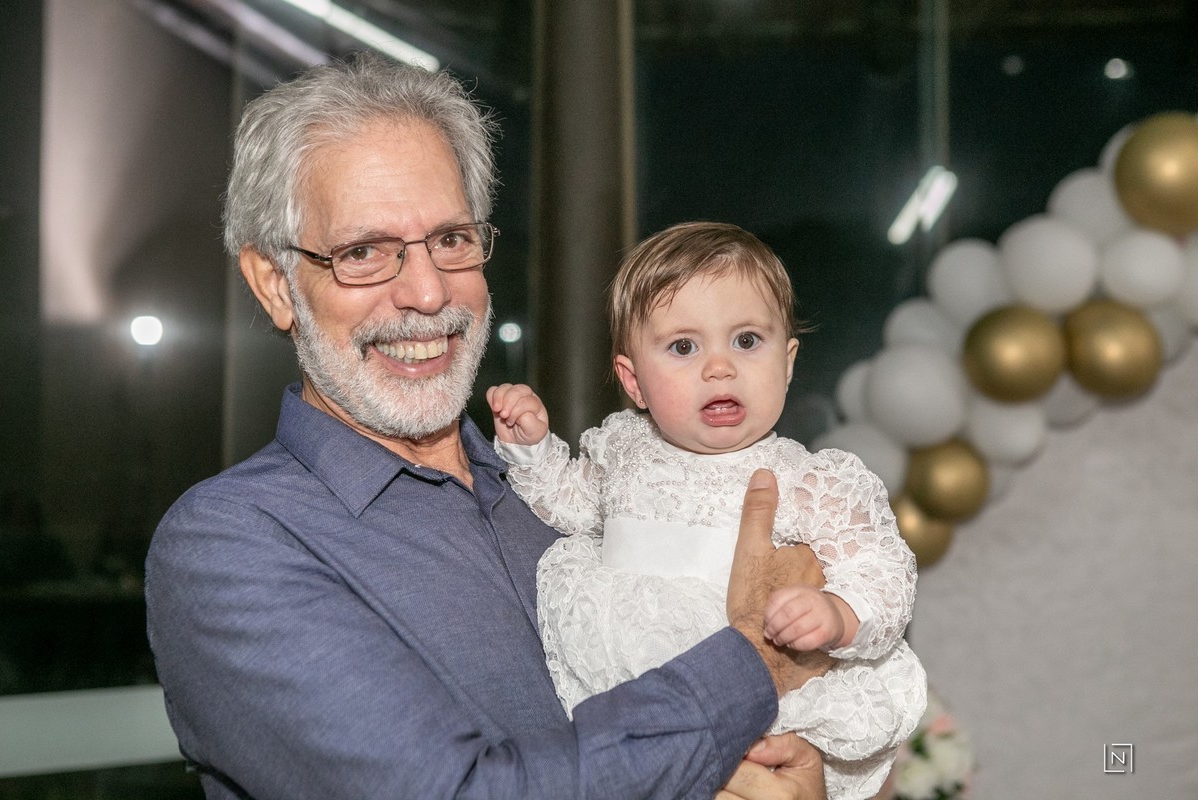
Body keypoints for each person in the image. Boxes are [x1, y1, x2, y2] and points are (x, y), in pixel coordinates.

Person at [145, 53, 832, 800]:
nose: (426, 292)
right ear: (275, 285)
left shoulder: (572, 494)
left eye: (450, 239)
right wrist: (754, 659)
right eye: (363, 252)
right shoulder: (230, 545)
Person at [486, 222, 927, 800]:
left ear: (788, 362)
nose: (720, 367)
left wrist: (838, 613)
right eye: (683, 347)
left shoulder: (807, 480)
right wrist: (533, 449)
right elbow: (571, 505)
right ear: (634, 382)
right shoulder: (624, 450)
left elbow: (883, 571)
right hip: (628, 699)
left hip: (756, 707)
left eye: (746, 340)